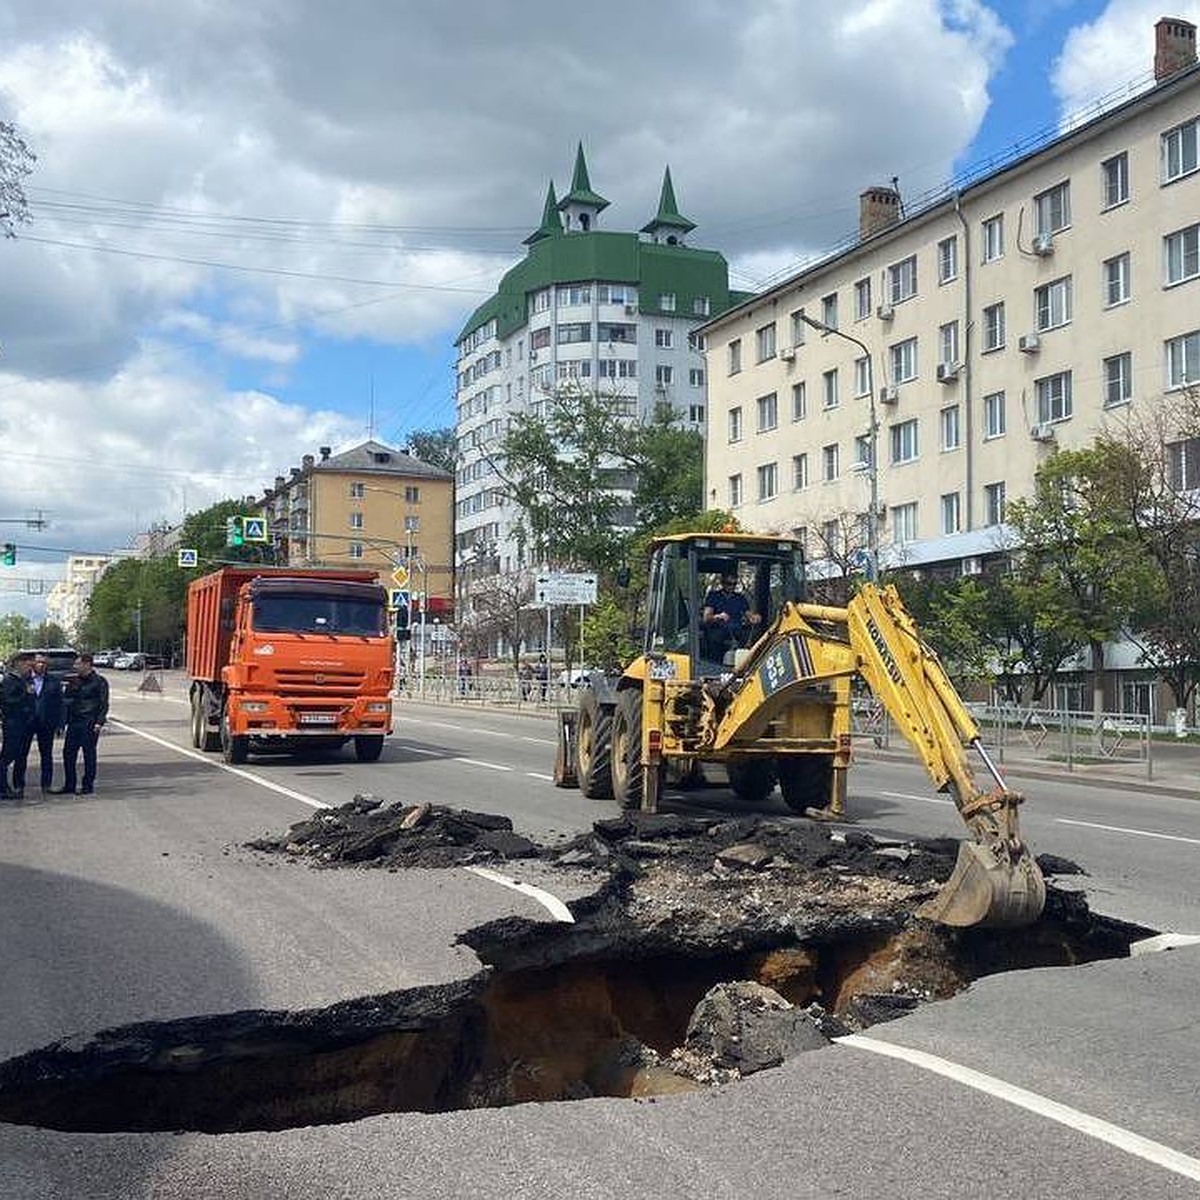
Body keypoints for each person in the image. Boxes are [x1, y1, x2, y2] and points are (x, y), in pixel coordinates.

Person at [56, 653, 109, 796]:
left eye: (78, 664)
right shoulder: (74, 681)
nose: (75, 666)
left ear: (87, 664)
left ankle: (87, 785)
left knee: (89, 754)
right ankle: (69, 785)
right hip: (74, 722)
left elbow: (103, 704)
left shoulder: (99, 681)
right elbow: (66, 701)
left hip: (90, 722)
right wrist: (62, 723)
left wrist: (99, 722)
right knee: (68, 753)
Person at [701, 571, 762, 659]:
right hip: (718, 630)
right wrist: (718, 616)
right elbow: (706, 617)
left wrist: (755, 617)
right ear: (722, 583)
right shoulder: (713, 596)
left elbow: (749, 614)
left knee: (753, 636)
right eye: (729, 584)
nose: (731, 587)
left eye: (734, 584)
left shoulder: (740, 598)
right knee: (715, 638)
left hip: (737, 631)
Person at [27, 652, 64, 793]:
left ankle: (46, 784)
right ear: (33, 663)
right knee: (21, 754)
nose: (41, 665)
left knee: (46, 755)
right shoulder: (24, 679)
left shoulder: (53, 681)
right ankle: (19, 785)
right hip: (27, 723)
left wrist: (60, 724)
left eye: (44, 663)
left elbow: (60, 704)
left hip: (46, 723)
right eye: (38, 662)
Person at [0, 653, 36, 799]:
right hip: (13, 722)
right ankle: (2, 788)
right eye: (27, 664)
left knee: (20, 754)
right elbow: (8, 700)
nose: (29, 668)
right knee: (8, 755)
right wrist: (25, 694)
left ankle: (12, 786)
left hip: (23, 722)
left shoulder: (23, 680)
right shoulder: (9, 680)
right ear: (18, 664)